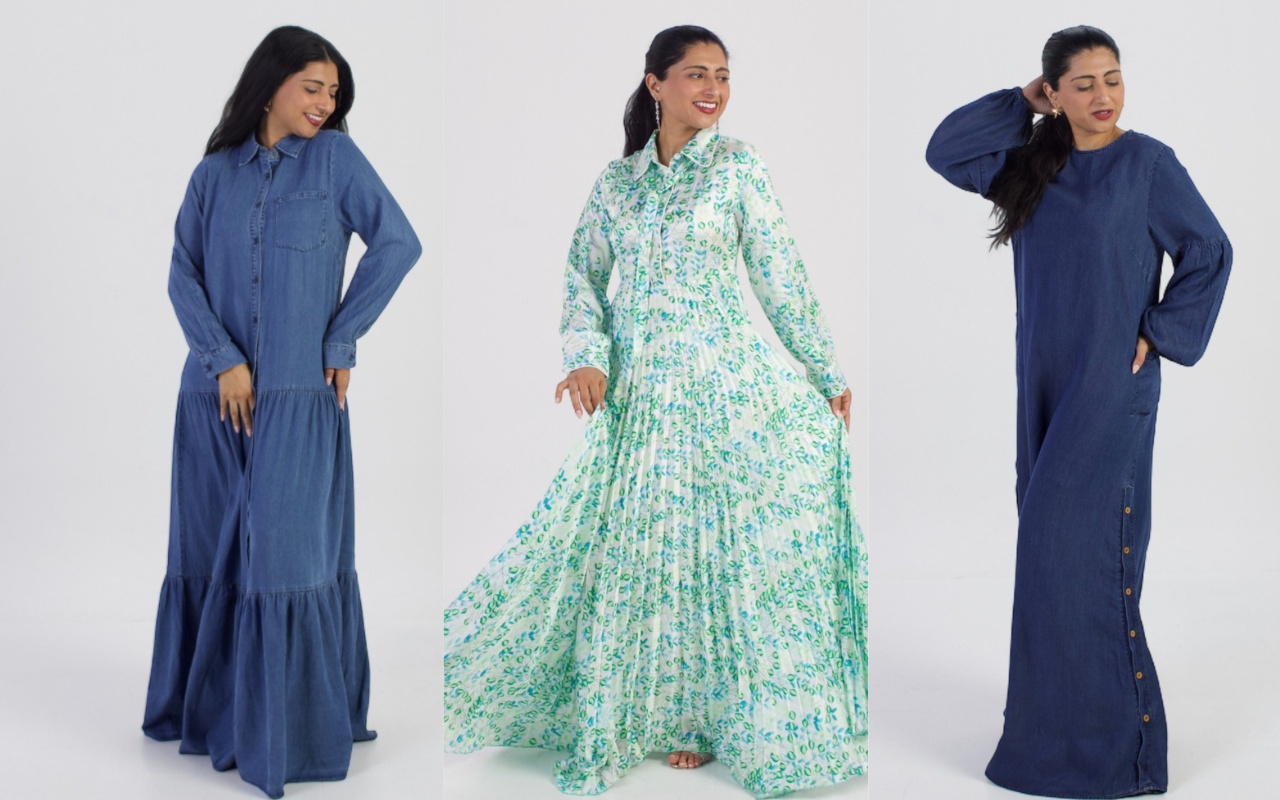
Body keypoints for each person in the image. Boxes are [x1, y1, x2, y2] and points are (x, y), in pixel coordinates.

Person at [444, 25, 868, 798]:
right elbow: (583, 277)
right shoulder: (618, 185)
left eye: (724, 76)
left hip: (725, 387)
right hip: (643, 395)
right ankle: (649, 714)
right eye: (697, 74)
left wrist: (824, 370)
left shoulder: (738, 170)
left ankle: (708, 721)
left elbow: (781, 274)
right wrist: (587, 358)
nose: (713, 89)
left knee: (719, 548)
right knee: (645, 547)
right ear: (656, 83)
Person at [926, 25, 1230, 798]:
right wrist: (1018, 104)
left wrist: (1159, 333)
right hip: (1045, 386)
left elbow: (1209, 249)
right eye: (1083, 83)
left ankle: (1119, 756)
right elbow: (944, 149)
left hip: (1108, 389)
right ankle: (1048, 743)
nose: (1103, 97)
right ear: (1053, 92)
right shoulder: (1033, 164)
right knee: (1045, 564)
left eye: (1114, 79)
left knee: (1082, 557)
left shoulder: (1148, 165)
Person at [141, 25, 421, 799]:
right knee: (207, 552)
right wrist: (223, 358)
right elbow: (181, 273)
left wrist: (343, 334)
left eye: (335, 92)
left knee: (288, 562)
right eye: (313, 87)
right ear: (270, 85)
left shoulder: (336, 162)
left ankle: (290, 732)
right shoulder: (212, 175)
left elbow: (397, 242)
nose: (326, 105)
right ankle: (209, 712)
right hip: (212, 402)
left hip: (300, 404)